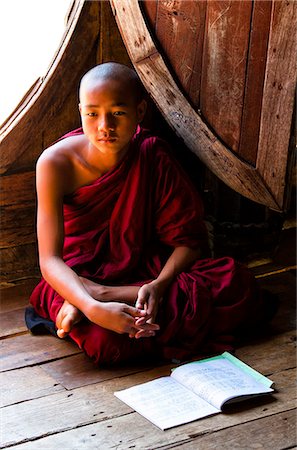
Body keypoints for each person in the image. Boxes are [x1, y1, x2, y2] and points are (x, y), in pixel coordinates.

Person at [28, 62, 274, 365]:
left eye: (118, 113)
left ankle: (108, 293)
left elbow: (190, 242)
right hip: (79, 275)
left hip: (145, 268)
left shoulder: (151, 153)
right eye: (92, 114)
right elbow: (49, 260)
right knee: (106, 343)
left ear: (140, 111)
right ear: (81, 111)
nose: (105, 126)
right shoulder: (54, 164)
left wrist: (158, 286)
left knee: (239, 284)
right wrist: (91, 307)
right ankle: (95, 297)